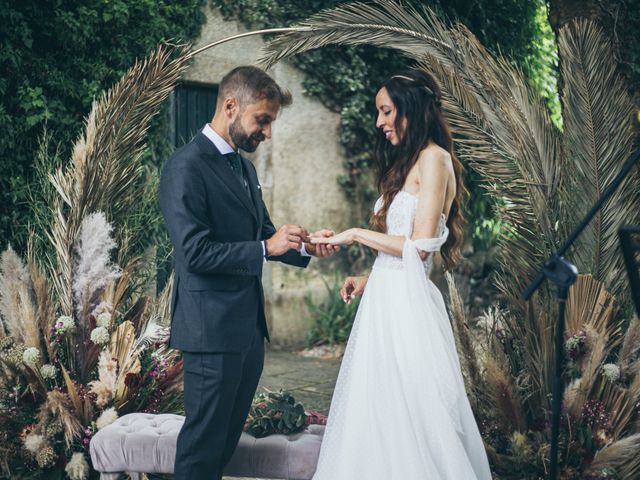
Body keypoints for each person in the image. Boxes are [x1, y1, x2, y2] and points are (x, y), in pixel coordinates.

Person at [309, 69, 492, 479]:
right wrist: (368, 279)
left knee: (414, 415)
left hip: (408, 310)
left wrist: (355, 233)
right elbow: (402, 255)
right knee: (376, 412)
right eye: (379, 112)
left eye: (386, 111)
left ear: (411, 109)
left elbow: (420, 246)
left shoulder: (435, 159)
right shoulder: (409, 161)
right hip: (384, 302)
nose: (379, 122)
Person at [159, 66, 336, 480]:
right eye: (264, 120)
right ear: (231, 105)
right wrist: (265, 247)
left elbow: (266, 235)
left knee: (222, 446)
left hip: (247, 336)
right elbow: (194, 253)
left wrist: (307, 245)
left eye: (271, 122)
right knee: (201, 448)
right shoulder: (185, 166)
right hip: (210, 335)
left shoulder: (244, 169)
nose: (268, 132)